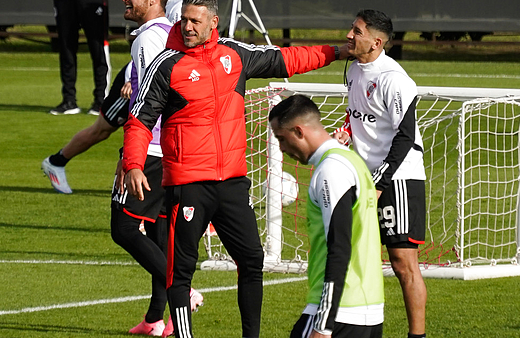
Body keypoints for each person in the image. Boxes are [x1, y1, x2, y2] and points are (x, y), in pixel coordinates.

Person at [122, 1, 347, 336]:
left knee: (252, 260)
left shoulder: (235, 55)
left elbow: (286, 59)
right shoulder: (166, 65)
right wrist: (133, 165)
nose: (188, 27)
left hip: (232, 183)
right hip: (187, 185)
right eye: (184, 20)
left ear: (214, 22)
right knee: (180, 272)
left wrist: (335, 51)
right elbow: (139, 121)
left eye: (195, 21)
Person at [333, 9, 427, 338]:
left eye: (356, 31)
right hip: (366, 177)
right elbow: (358, 113)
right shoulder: (354, 71)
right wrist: (345, 132)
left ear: (376, 41)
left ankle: (418, 335)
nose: (348, 35)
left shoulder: (394, 79)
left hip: (399, 178)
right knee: (357, 258)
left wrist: (380, 183)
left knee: (402, 262)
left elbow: (405, 136)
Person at [269, 95, 384, 338]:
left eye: (282, 138)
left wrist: (323, 324)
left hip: (340, 313)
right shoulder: (353, 161)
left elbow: (339, 247)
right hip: (368, 309)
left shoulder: (331, 170)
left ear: (299, 131)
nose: (281, 147)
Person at [41, 0, 183, 194]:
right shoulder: (168, 12)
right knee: (101, 129)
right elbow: (155, 50)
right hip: (135, 82)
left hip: (153, 81)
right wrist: (135, 77)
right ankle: (56, 162)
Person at [50, 0, 111, 115]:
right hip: (66, 3)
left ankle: (101, 100)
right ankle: (69, 101)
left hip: (91, 3)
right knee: (66, 49)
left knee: (98, 49)